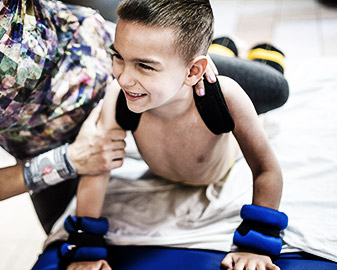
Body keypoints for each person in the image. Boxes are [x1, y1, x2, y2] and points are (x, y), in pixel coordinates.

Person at [0, 0, 219, 234]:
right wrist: (69, 160)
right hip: (49, 148)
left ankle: (223, 48)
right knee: (65, 246)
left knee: (270, 91)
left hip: (107, 64)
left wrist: (179, 60)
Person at [56, 0, 288, 269]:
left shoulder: (225, 97)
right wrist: (86, 248)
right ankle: (222, 45)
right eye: (118, 56)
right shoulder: (118, 98)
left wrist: (256, 245)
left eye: (144, 65)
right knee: (185, 57)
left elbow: (266, 169)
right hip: (184, 73)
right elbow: (97, 167)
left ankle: (261, 52)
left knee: (275, 85)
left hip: (213, 95)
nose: (123, 78)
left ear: (193, 71)